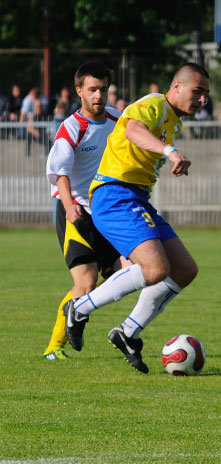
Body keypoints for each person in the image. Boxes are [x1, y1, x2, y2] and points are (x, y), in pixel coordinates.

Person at [63, 63, 210, 374]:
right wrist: (170, 151)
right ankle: (79, 308)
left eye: (206, 95)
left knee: (184, 269)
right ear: (177, 86)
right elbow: (132, 129)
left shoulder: (173, 121)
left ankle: (128, 332)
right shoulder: (154, 104)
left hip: (137, 197)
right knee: (155, 268)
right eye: (197, 92)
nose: (202, 100)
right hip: (113, 194)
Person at [43, 62, 126, 361]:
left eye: (103, 89)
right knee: (86, 282)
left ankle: (77, 308)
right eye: (92, 89)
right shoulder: (72, 128)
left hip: (107, 214)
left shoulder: (118, 119)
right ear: (79, 91)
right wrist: (68, 207)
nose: (99, 95)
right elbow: (59, 173)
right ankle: (54, 347)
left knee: (133, 273)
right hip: (75, 212)